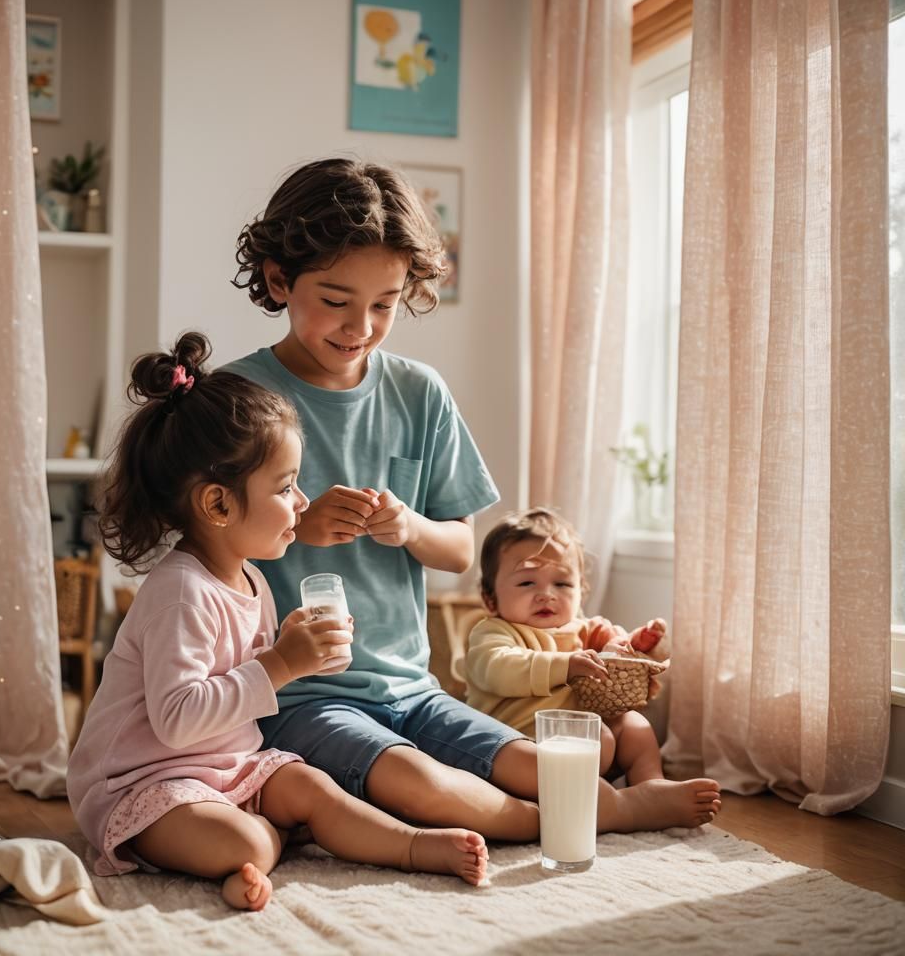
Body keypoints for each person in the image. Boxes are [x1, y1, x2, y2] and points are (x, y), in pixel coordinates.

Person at [226, 157, 721, 838]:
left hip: (413, 688)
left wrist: (409, 527)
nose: (360, 326)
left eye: (384, 304)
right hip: (298, 694)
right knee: (422, 786)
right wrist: (295, 525)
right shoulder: (240, 402)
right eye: (336, 301)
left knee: (535, 761)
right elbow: (200, 542)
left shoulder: (418, 392)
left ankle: (585, 807)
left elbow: (461, 550)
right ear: (280, 279)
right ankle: (598, 816)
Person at [66, 332, 489, 914]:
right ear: (218, 506)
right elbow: (176, 720)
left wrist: (292, 646)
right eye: (287, 487)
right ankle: (257, 849)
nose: (303, 502)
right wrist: (282, 663)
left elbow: (241, 686)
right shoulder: (179, 592)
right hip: (147, 784)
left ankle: (414, 847)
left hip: (229, 768)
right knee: (248, 838)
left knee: (313, 787)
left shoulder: (253, 580)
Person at [465, 507, 677, 791]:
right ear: (490, 599)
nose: (546, 594)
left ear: (580, 593)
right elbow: (497, 669)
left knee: (634, 726)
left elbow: (614, 651)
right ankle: (592, 798)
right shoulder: (493, 633)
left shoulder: (586, 629)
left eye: (562, 583)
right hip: (520, 745)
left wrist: (635, 646)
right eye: (527, 582)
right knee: (597, 736)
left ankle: (651, 784)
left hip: (587, 743)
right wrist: (564, 665)